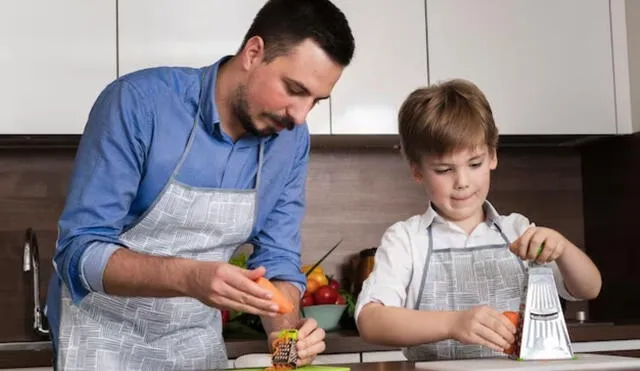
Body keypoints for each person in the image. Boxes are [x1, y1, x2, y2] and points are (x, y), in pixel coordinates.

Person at [45, 0, 355, 369]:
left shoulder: (291, 140)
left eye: (315, 101)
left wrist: (288, 339)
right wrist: (190, 276)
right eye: (293, 89)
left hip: (195, 344)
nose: (300, 116)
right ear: (254, 53)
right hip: (103, 340)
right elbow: (79, 252)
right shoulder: (139, 104)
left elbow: (278, 260)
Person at [354, 79, 602, 361]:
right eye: (444, 169)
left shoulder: (517, 230)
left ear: (493, 156)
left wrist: (564, 248)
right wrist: (452, 324)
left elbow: (588, 288)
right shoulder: (407, 239)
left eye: (475, 164)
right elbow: (370, 321)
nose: (462, 182)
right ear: (417, 171)